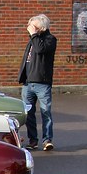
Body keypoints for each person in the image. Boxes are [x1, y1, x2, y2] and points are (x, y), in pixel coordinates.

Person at [18, 14, 57, 151]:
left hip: (42, 83)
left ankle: (47, 140)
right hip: (28, 83)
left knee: (45, 111)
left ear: (41, 27)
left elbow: (40, 49)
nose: (30, 29)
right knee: (28, 113)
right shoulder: (33, 40)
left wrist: (33, 34)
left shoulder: (50, 39)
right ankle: (33, 140)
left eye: (33, 26)